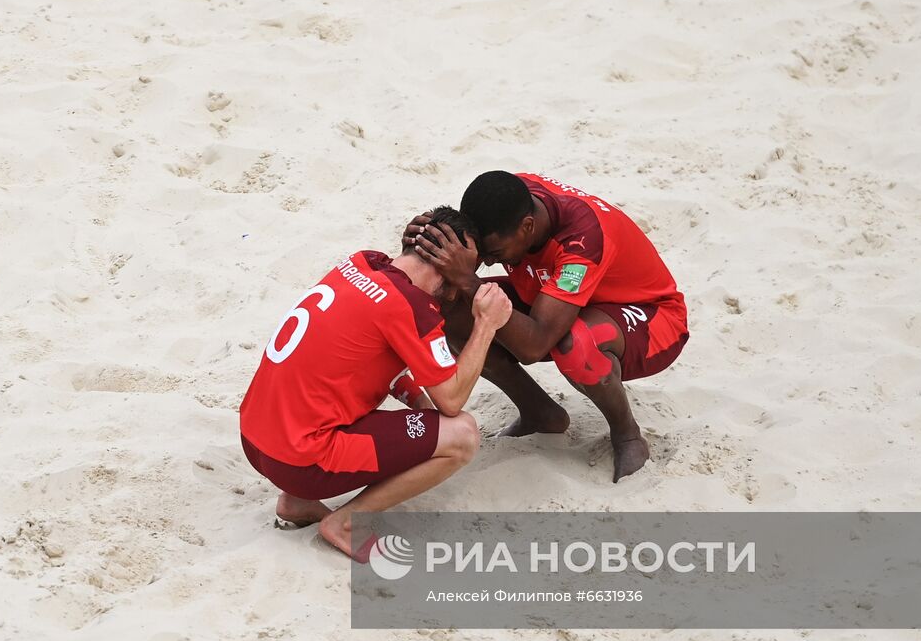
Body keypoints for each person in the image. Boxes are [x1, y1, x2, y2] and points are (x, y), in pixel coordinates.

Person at [239, 206, 513, 559]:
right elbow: (452, 400)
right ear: (447, 264)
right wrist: (486, 325)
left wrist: (422, 413)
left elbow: (373, 363)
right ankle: (346, 523)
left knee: (354, 403)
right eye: (465, 271)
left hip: (254, 439)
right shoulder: (410, 305)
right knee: (462, 435)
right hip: (299, 461)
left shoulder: (361, 262)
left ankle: (297, 501)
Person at [404, 172, 688, 482]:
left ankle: (627, 434)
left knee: (575, 344)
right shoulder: (511, 200)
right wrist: (427, 243)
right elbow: (460, 267)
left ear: (528, 227)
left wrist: (469, 280)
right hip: (558, 295)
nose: (484, 261)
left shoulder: (582, 241)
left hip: (650, 317)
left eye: (494, 255)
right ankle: (540, 413)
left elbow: (535, 345)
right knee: (450, 306)